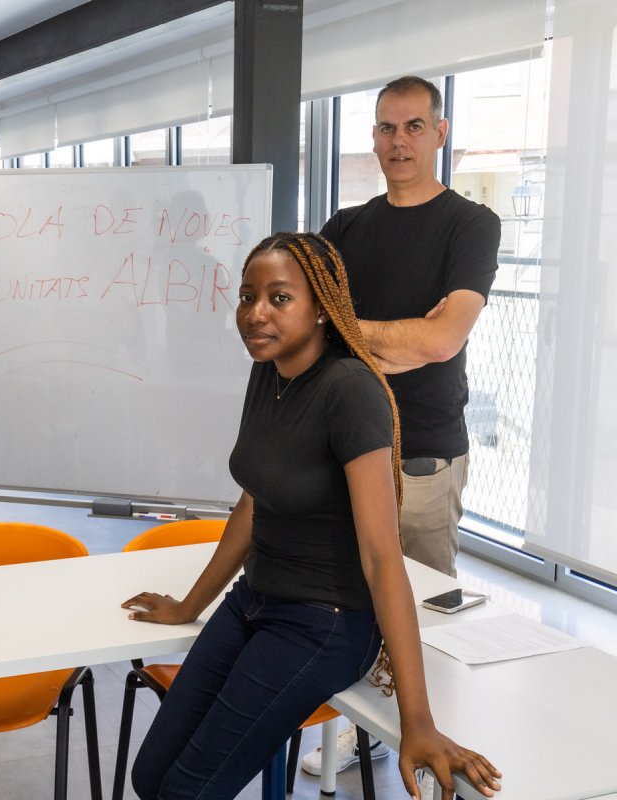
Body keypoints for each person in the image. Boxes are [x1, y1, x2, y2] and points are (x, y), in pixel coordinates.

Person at [122, 233, 501, 800]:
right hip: (255, 602)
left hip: (323, 623)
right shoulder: (269, 373)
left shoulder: (350, 393)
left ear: (323, 306)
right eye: (248, 297)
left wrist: (417, 721)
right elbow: (254, 502)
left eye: (279, 298)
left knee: (183, 792)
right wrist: (188, 607)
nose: (255, 314)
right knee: (148, 777)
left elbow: (381, 559)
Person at [305, 74, 501, 777]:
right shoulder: (344, 227)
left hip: (421, 456)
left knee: (420, 615)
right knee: (345, 603)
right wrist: (380, 345)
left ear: (440, 133)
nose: (399, 142)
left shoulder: (470, 225)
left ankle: (428, 746)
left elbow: (440, 340)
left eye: (415, 126)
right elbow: (309, 331)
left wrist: (354, 338)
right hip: (344, 451)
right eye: (387, 128)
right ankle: (352, 747)